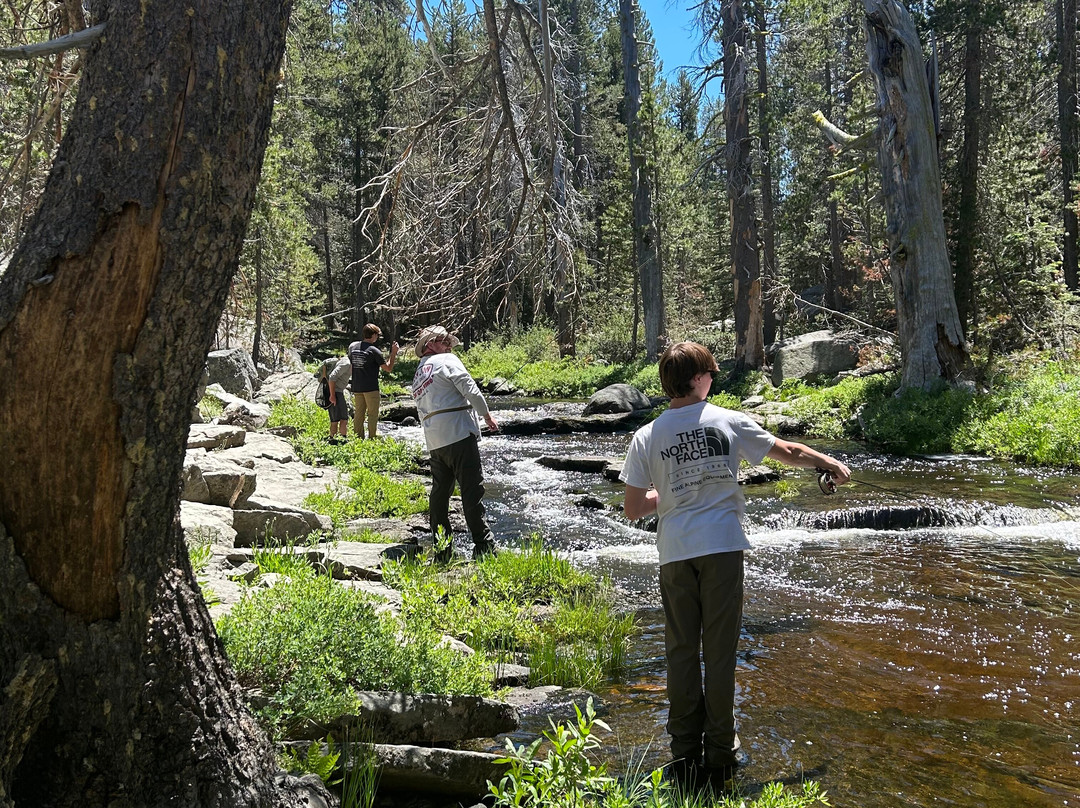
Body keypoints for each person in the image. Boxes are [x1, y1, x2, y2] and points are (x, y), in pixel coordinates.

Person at [620, 341, 850, 792]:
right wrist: (829, 462)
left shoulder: (647, 435)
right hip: (722, 548)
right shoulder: (727, 420)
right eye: (711, 372)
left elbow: (632, 508)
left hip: (675, 552)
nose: (713, 378)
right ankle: (721, 750)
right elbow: (786, 450)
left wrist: (668, 496)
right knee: (720, 652)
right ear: (700, 378)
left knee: (682, 651)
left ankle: (683, 749)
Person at [411, 325, 499, 560]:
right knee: (472, 490)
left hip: (435, 441)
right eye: (443, 340)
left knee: (440, 495)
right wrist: (487, 416)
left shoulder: (419, 372)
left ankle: (442, 551)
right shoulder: (446, 359)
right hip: (459, 433)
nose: (449, 344)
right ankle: (484, 547)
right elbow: (469, 387)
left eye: (449, 341)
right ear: (430, 344)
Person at [347, 323, 399, 439]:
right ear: (374, 335)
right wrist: (394, 353)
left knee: (359, 414)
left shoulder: (354, 348)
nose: (378, 337)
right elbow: (388, 368)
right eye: (377, 335)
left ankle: (358, 438)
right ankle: (372, 437)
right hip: (371, 388)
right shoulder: (374, 351)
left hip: (357, 386)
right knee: (372, 414)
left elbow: (351, 366)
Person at [321, 354, 352, 443]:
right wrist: (332, 395)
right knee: (339, 419)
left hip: (337, 392)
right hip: (335, 392)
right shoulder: (346, 364)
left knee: (341, 418)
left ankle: (337, 439)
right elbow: (332, 376)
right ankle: (337, 440)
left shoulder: (345, 360)